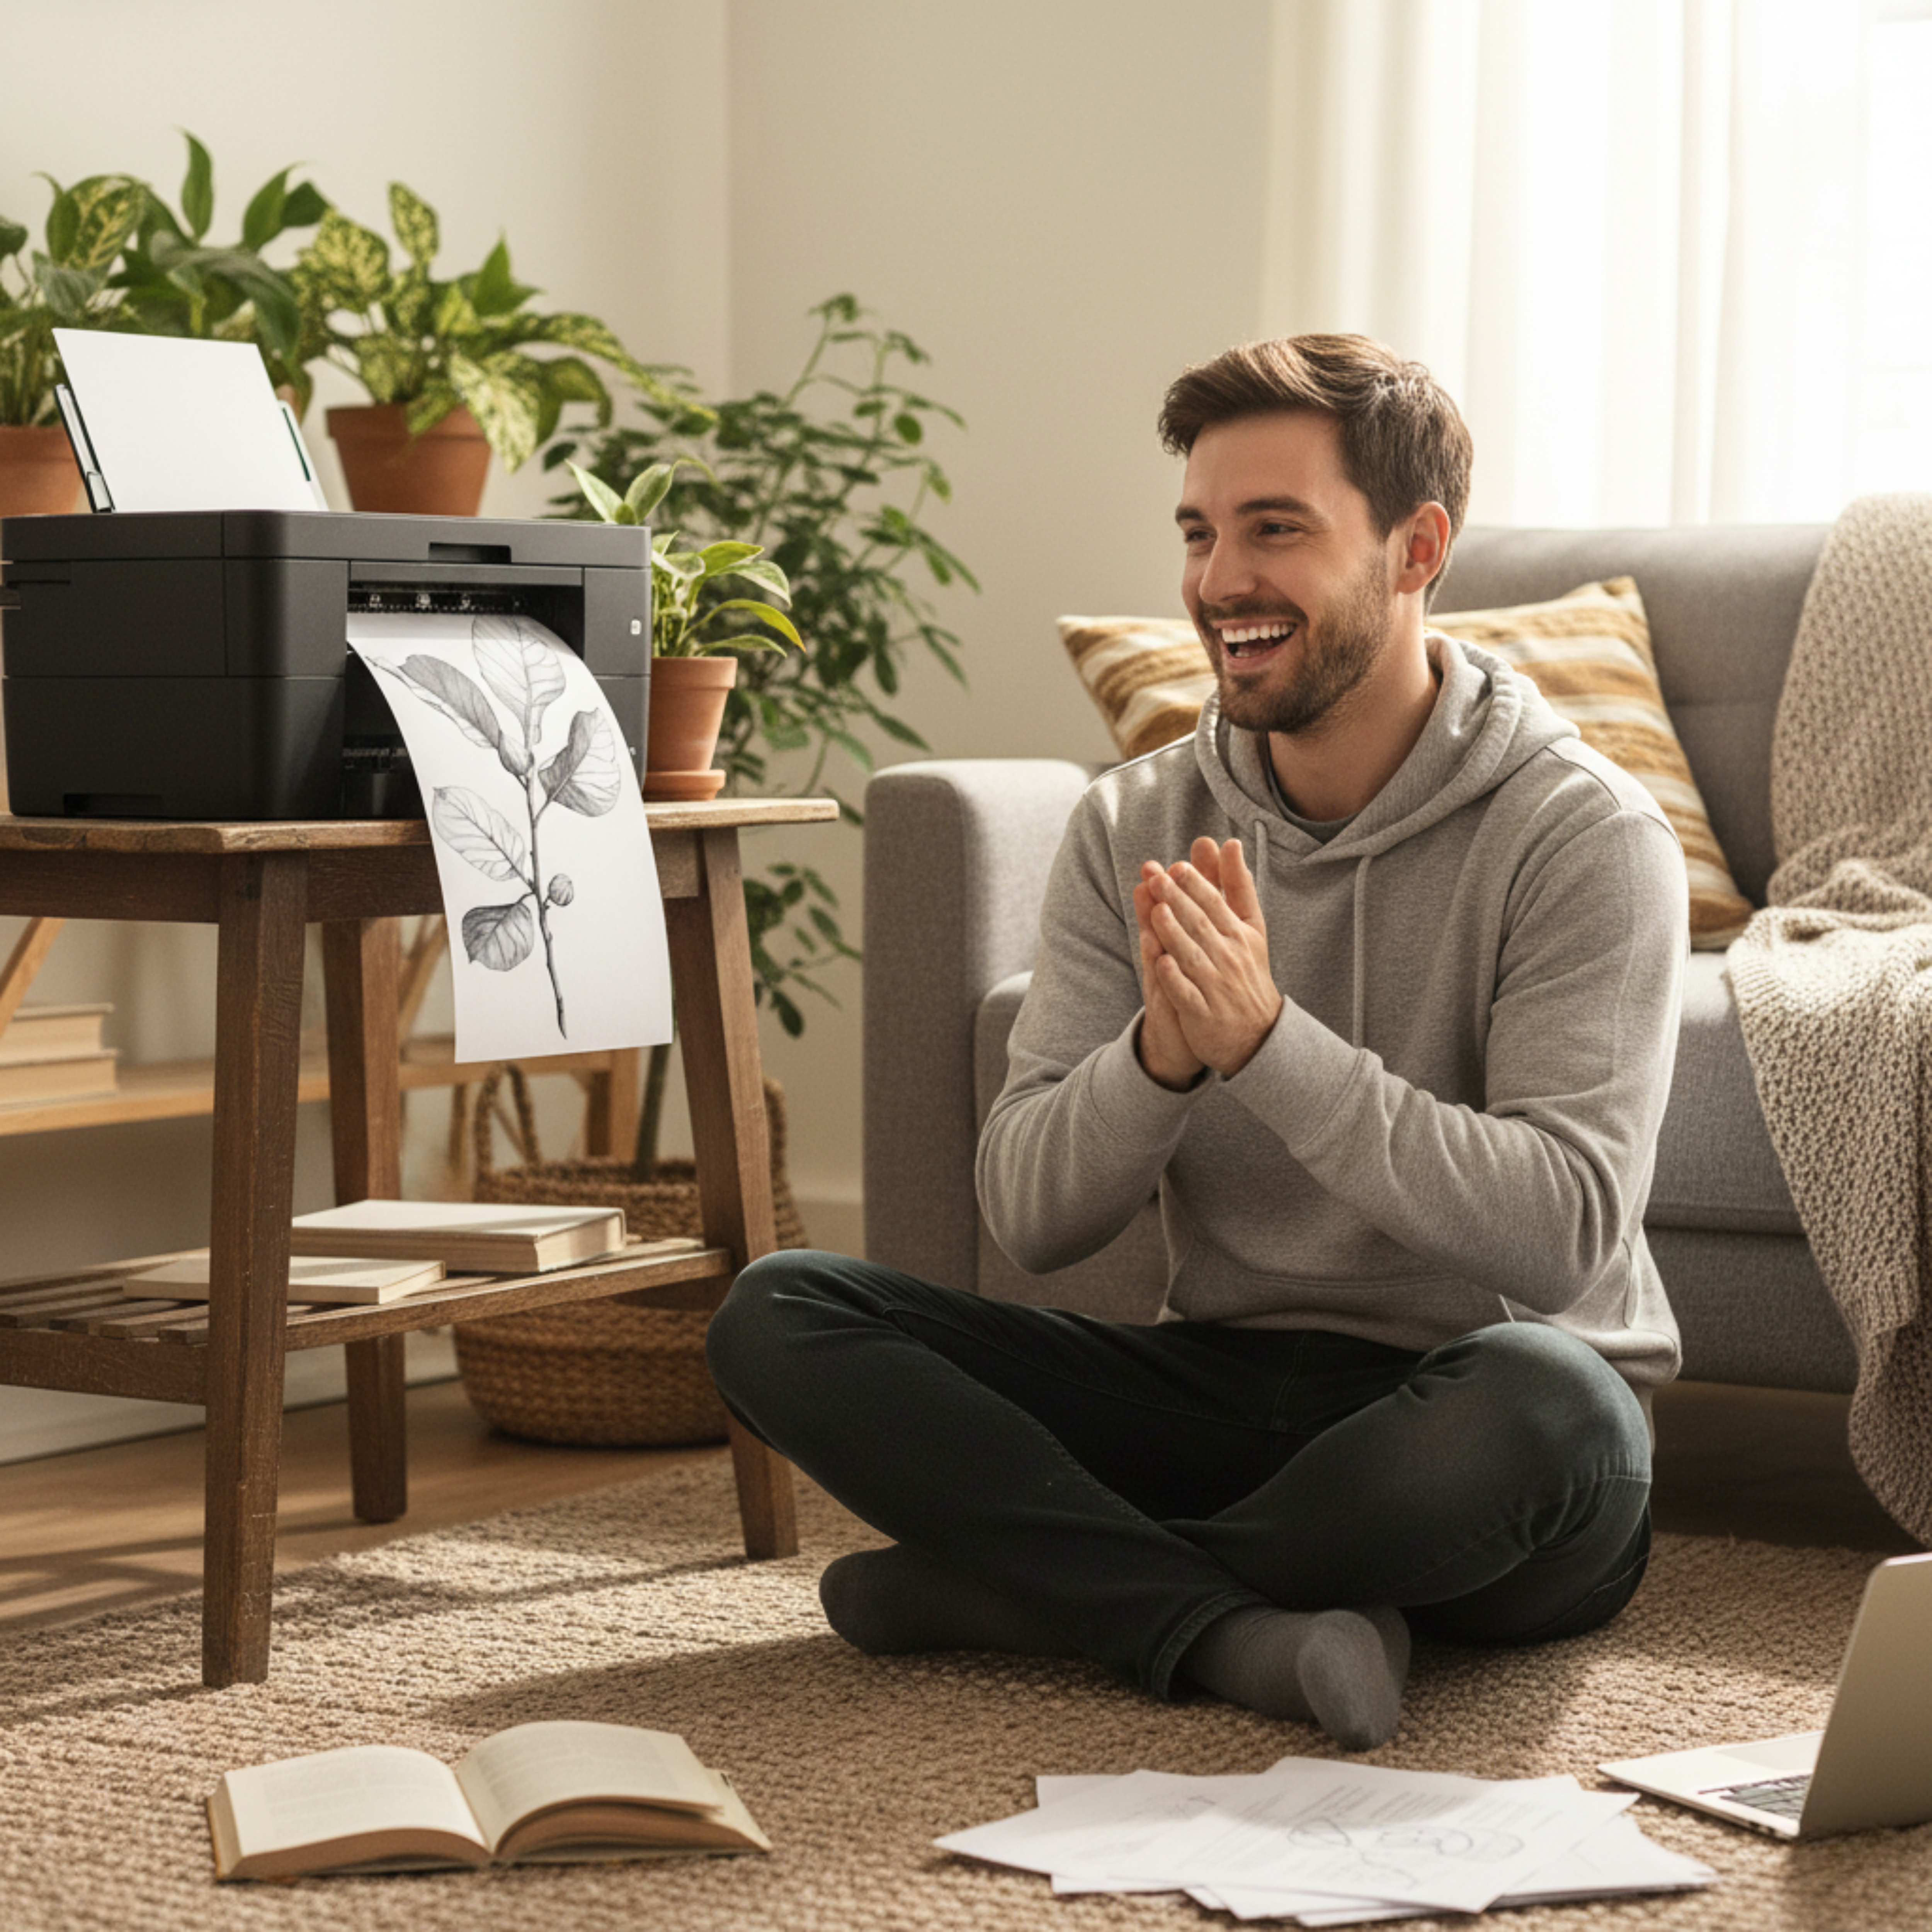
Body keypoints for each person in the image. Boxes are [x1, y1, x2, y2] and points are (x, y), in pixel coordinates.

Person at [706, 333, 1687, 1751]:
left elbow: (1563, 1241)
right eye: (1200, 533)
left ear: (1416, 549)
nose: (1220, 581)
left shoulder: (1583, 835)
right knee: (780, 1310)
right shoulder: (1136, 824)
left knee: (1557, 1411)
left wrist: (1269, 1045)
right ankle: (1228, 1619)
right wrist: (1158, 1063)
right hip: (1224, 1385)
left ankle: (1043, 1587)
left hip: (1475, 1408)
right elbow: (1032, 1220)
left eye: (1275, 530)